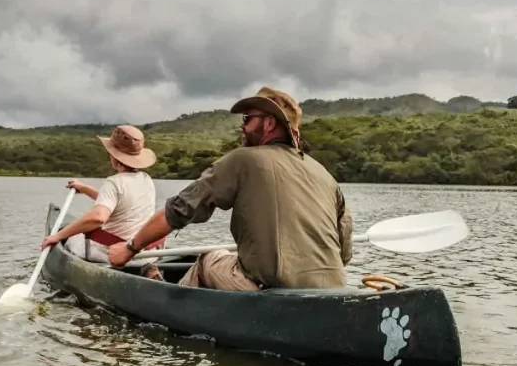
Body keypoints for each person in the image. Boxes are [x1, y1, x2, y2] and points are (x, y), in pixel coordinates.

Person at [108, 86, 353, 290]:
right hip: (332, 286)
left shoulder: (243, 159)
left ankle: (167, 312)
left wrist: (129, 249)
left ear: (269, 123)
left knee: (207, 259)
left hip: (273, 287)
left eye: (248, 119)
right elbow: (345, 253)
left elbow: (179, 210)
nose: (242, 127)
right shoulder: (325, 175)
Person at [41, 125, 162, 263]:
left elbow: (98, 218)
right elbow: (116, 202)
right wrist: (85, 188)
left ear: (115, 158)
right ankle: (148, 269)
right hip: (145, 255)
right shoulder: (146, 179)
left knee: (72, 237)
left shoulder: (114, 182)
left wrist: (57, 236)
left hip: (113, 253)